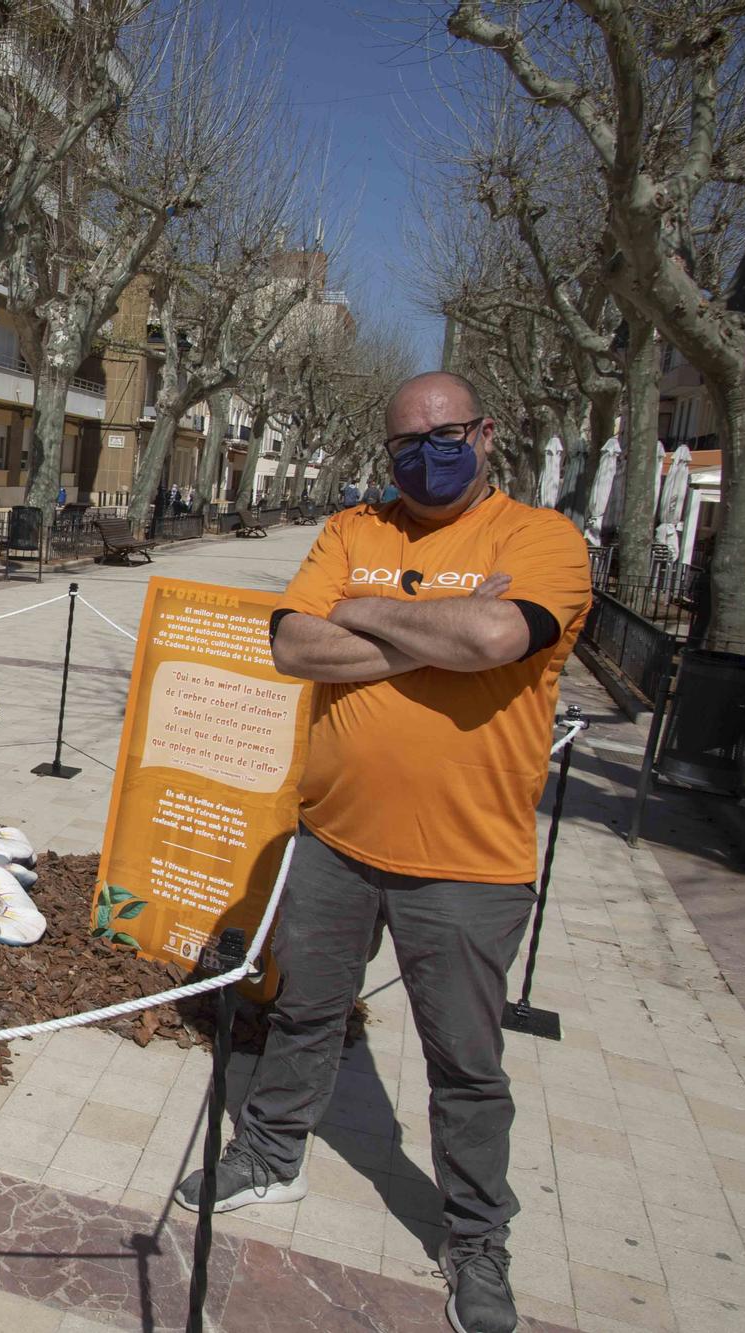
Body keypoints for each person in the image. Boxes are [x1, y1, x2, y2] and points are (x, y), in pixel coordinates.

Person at [174, 372, 590, 1333]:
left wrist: (363, 610)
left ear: (485, 434)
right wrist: (435, 637)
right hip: (331, 838)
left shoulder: (540, 540)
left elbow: (499, 631)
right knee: (304, 1011)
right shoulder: (354, 529)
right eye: (407, 441)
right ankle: (273, 1154)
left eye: (445, 434)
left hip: (470, 862)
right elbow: (291, 649)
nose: (427, 453)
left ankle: (478, 1239)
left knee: (465, 1060)